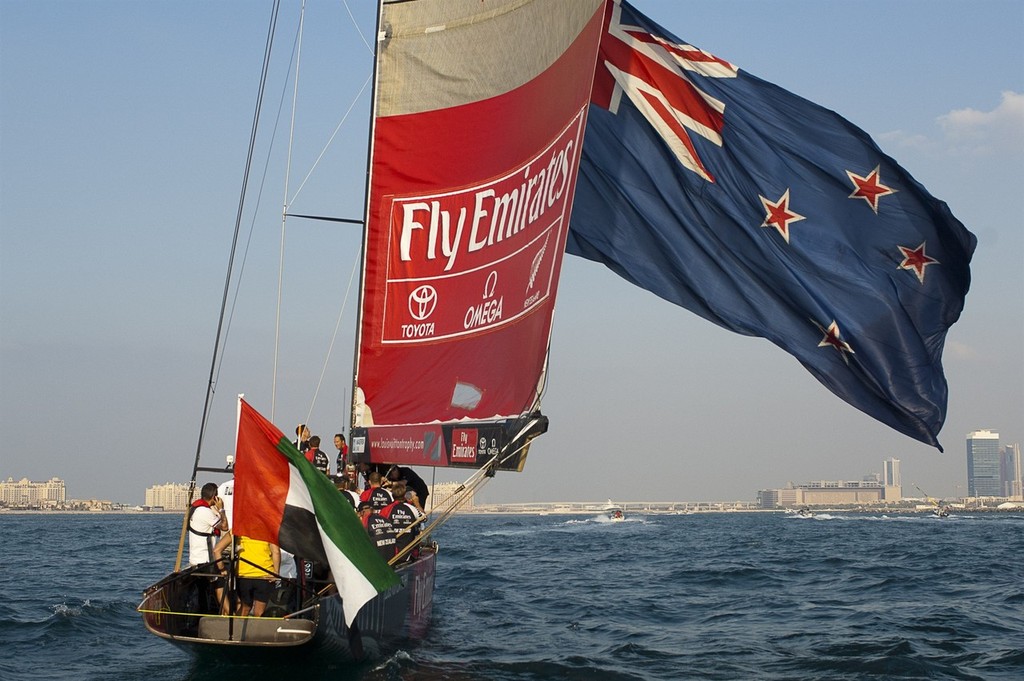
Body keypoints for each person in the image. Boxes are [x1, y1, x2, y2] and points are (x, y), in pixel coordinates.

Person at [235, 535, 280, 617]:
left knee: (245, 608)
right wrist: (276, 572)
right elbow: (276, 551)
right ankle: (257, 629)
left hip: (244, 574)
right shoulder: (268, 530)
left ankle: (237, 628)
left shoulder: (240, 529)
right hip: (264, 575)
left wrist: (222, 568)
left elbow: (217, 549)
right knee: (259, 612)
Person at [188, 482, 228, 566]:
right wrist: (221, 509)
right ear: (214, 497)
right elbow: (224, 527)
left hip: (196, 558)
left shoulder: (196, 508)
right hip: (204, 560)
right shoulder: (205, 511)